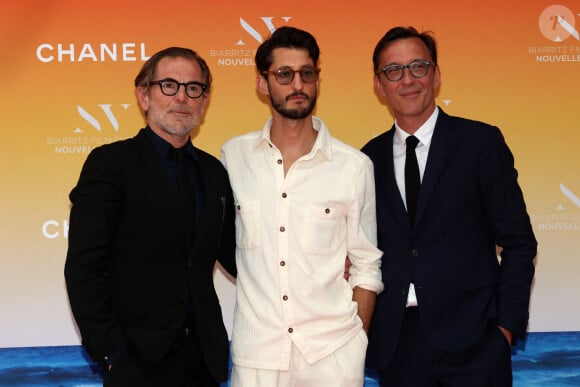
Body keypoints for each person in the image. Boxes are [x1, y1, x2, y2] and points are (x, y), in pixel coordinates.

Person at [361, 26, 537, 387]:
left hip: (475, 343)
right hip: (397, 346)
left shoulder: (480, 143)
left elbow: (519, 242)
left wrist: (504, 329)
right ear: (379, 85)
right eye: (393, 70)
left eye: (418, 66)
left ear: (436, 74)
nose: (407, 79)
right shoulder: (366, 159)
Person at [220, 26, 383, 386]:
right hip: (257, 356)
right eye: (284, 74)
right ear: (263, 84)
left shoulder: (353, 166)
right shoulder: (233, 158)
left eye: (307, 74)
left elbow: (367, 265)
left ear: (317, 81)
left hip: (333, 354)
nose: (298, 85)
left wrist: (357, 341)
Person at [64, 47, 236, 387]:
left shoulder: (214, 172)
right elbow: (83, 269)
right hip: (135, 362)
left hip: (204, 360)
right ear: (144, 96)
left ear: (204, 101)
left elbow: (238, 254)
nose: (182, 97)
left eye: (193, 88)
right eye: (168, 85)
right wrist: (111, 354)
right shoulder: (110, 164)